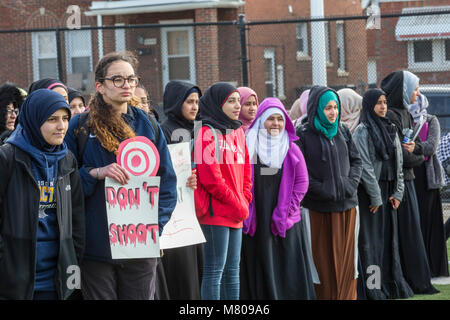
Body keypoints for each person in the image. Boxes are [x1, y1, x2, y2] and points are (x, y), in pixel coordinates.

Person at [64, 51, 177, 300]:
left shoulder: (148, 125)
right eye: (117, 79)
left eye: (131, 79)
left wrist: (152, 229)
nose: (126, 85)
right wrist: (94, 173)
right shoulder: (80, 127)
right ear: (100, 86)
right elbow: (65, 183)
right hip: (97, 249)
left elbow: (167, 182)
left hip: (139, 249)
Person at [0, 89, 85, 299]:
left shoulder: (67, 160)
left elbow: (77, 220)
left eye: (65, 118)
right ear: (33, 119)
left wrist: (73, 262)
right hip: (16, 282)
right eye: (52, 119)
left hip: (58, 281)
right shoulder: (8, 158)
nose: (61, 126)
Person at [240, 97, 316, 300]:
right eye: (270, 119)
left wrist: (288, 212)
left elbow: (302, 183)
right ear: (261, 121)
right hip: (257, 216)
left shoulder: (291, 149)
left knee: (287, 265)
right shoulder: (249, 148)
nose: (276, 124)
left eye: (280, 119)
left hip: (284, 219)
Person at [295, 85, 363, 300]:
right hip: (318, 210)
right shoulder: (303, 135)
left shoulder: (342, 131)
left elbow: (357, 161)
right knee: (322, 265)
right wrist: (323, 190)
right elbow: (301, 172)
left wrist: (349, 185)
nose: (333, 113)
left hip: (348, 207)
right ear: (316, 109)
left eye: (335, 107)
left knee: (348, 265)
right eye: (328, 108)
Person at [381, 70, 438, 294]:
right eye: (414, 88)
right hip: (396, 185)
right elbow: (402, 154)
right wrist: (417, 157)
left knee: (412, 231)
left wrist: (415, 155)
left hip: (408, 181)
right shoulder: (392, 116)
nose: (418, 93)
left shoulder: (404, 113)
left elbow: (412, 149)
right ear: (402, 91)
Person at [352, 88, 413, 299]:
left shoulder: (391, 127)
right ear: (369, 105)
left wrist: (398, 192)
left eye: (385, 102)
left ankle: (391, 284)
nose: (383, 106)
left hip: (389, 195)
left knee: (389, 242)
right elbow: (365, 166)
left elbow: (399, 164)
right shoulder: (362, 130)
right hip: (371, 196)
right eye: (378, 102)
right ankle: (374, 288)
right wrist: (376, 196)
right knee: (372, 245)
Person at [193, 82, 252, 300]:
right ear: (218, 103)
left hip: (237, 211)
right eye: (231, 101)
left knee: (233, 272)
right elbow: (211, 179)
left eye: (238, 100)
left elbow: (247, 169)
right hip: (215, 214)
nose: (238, 105)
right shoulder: (206, 132)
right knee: (214, 271)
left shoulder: (237, 131)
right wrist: (238, 204)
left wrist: (245, 199)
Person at [156, 80, 203, 300]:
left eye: (197, 102)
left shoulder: (199, 129)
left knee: (198, 271)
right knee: (181, 274)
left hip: (198, 211)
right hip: (175, 216)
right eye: (189, 102)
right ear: (176, 102)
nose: (195, 107)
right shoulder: (164, 131)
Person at [409, 93, 449, 278]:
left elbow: (431, 146)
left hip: (427, 179)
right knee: (414, 222)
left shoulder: (431, 120)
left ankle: (433, 268)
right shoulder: (405, 119)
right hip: (410, 176)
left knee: (430, 223)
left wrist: (414, 147)